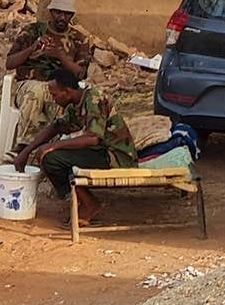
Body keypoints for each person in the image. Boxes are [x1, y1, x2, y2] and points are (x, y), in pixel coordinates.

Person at [13, 69, 137, 226]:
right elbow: (55, 127)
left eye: (55, 94)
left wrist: (52, 146)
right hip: (101, 152)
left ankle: (89, 204)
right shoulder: (75, 105)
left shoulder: (94, 99)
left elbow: (93, 138)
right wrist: (26, 151)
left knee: (52, 159)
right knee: (47, 155)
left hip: (116, 157)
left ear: (67, 92)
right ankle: (80, 200)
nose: (53, 98)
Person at [4, 0, 93, 157]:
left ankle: (51, 151)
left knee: (64, 105)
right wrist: (32, 49)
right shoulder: (33, 31)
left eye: (66, 14)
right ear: (51, 11)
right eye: (58, 12)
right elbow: (10, 63)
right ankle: (24, 145)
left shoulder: (79, 39)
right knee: (37, 91)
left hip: (60, 89)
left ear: (71, 15)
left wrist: (60, 56)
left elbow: (81, 74)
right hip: (29, 85)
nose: (61, 17)